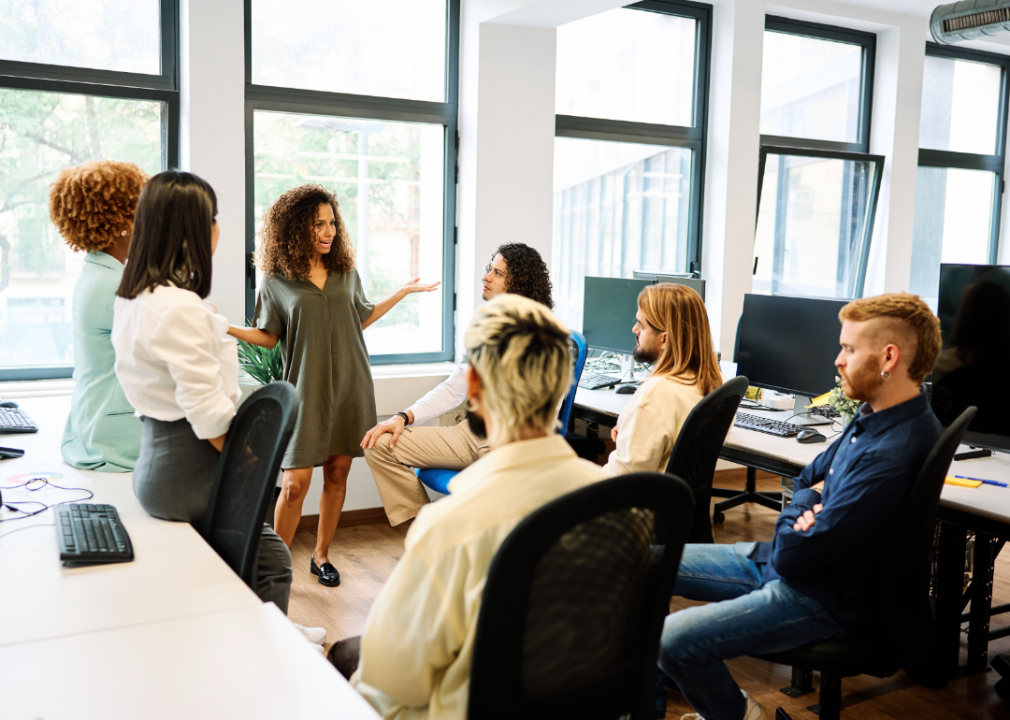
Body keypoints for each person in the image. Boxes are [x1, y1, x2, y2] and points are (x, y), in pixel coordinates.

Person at [656, 293, 943, 720]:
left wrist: (806, 508)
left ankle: (738, 716)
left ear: (888, 357)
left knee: (672, 639)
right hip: (785, 563)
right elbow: (809, 477)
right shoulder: (874, 415)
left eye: (848, 349)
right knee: (645, 563)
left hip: (818, 596)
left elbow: (795, 551)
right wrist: (811, 503)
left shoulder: (891, 453)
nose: (837, 361)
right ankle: (641, 704)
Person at [331, 294, 609, 719]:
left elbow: (394, 677)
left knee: (348, 664)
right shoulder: (616, 503)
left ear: (474, 385)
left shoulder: (449, 527)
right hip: (579, 703)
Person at [111, 171, 321, 646]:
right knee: (272, 561)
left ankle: (270, 634)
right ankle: (271, 652)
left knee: (242, 564)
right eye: (215, 218)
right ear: (193, 227)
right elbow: (208, 417)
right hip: (192, 470)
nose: (219, 228)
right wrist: (250, 467)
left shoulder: (134, 297)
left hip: (158, 462)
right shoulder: (178, 307)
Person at [227, 184, 439, 588]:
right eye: (318, 225)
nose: (328, 231)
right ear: (293, 229)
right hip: (305, 390)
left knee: (338, 474)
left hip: (351, 385)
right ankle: (275, 567)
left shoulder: (345, 273)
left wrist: (402, 293)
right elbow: (268, 335)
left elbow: (360, 318)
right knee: (293, 485)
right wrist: (225, 327)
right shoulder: (276, 281)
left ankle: (321, 555)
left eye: (331, 223)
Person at [360, 242, 554, 526]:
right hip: (469, 434)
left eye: (497, 273)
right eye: (490, 269)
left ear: (518, 285)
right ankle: (425, 531)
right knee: (379, 444)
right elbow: (453, 390)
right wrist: (403, 417)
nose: (486, 276)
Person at [50, 160, 148, 472]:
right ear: (125, 221)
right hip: (115, 441)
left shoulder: (97, 272)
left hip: (93, 423)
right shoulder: (115, 286)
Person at [602, 283, 722, 476]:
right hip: (676, 499)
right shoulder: (715, 381)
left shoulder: (656, 392)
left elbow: (621, 478)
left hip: (637, 502)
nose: (634, 330)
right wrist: (635, 427)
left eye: (641, 325)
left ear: (664, 339)